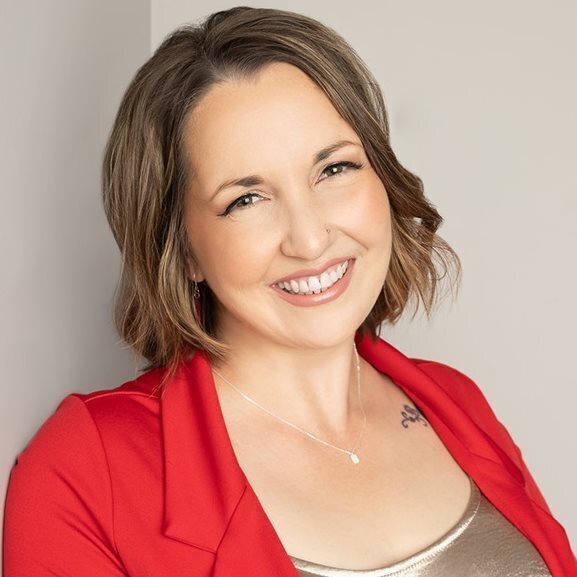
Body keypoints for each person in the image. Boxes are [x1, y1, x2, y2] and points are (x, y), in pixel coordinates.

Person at [3, 6, 576, 577]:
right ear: (184, 250)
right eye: (246, 200)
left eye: (334, 170)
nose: (309, 239)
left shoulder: (456, 402)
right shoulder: (88, 473)